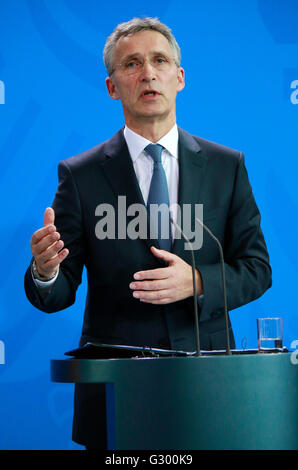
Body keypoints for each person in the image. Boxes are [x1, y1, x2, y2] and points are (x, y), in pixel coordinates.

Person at [24, 17, 272, 449]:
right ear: (112, 87)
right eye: (132, 64)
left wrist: (196, 281)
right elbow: (60, 290)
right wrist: (45, 271)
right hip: (118, 391)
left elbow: (256, 268)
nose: (148, 73)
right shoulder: (80, 176)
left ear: (179, 77)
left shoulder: (226, 167)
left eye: (159, 61)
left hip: (210, 386)